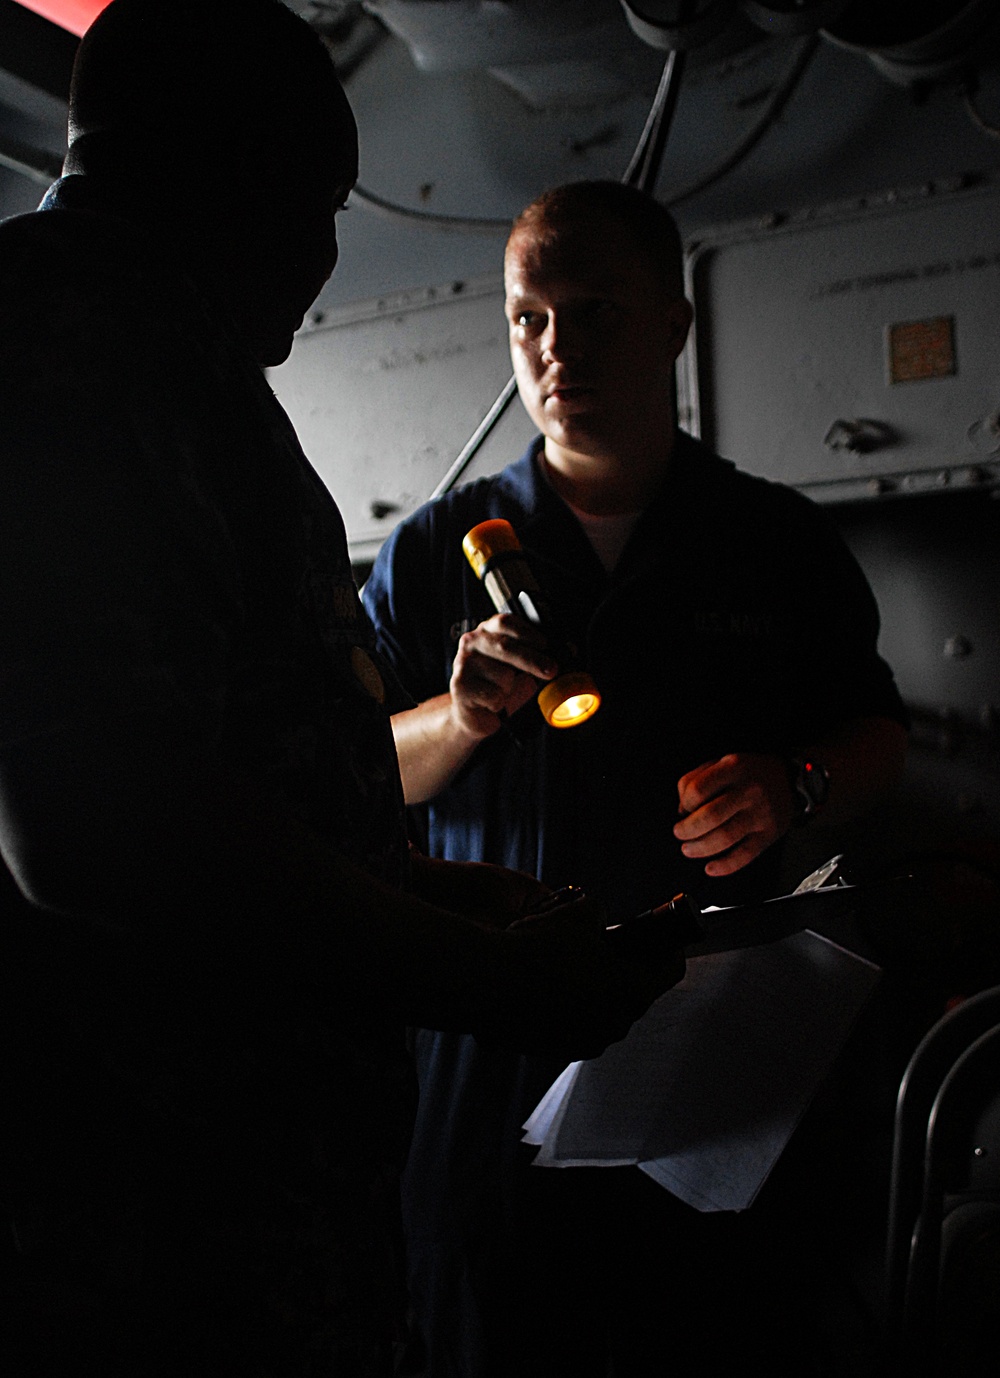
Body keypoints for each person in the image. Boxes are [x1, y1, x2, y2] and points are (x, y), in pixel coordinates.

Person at [0, 11, 681, 1374]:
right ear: (231, 174)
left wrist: (435, 891)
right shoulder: (60, 349)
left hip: (256, 1203)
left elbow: (246, 773)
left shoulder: (183, 368)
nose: (324, 259)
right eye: (317, 205)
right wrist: (480, 973)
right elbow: (97, 820)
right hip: (132, 1220)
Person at [363, 180, 910, 1375]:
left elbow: (876, 736)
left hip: (719, 1072)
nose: (556, 347)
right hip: (489, 1074)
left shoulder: (772, 542)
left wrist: (794, 782)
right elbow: (369, 774)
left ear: (673, 321)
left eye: (596, 311)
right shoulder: (428, 552)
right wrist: (457, 717)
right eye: (529, 318)